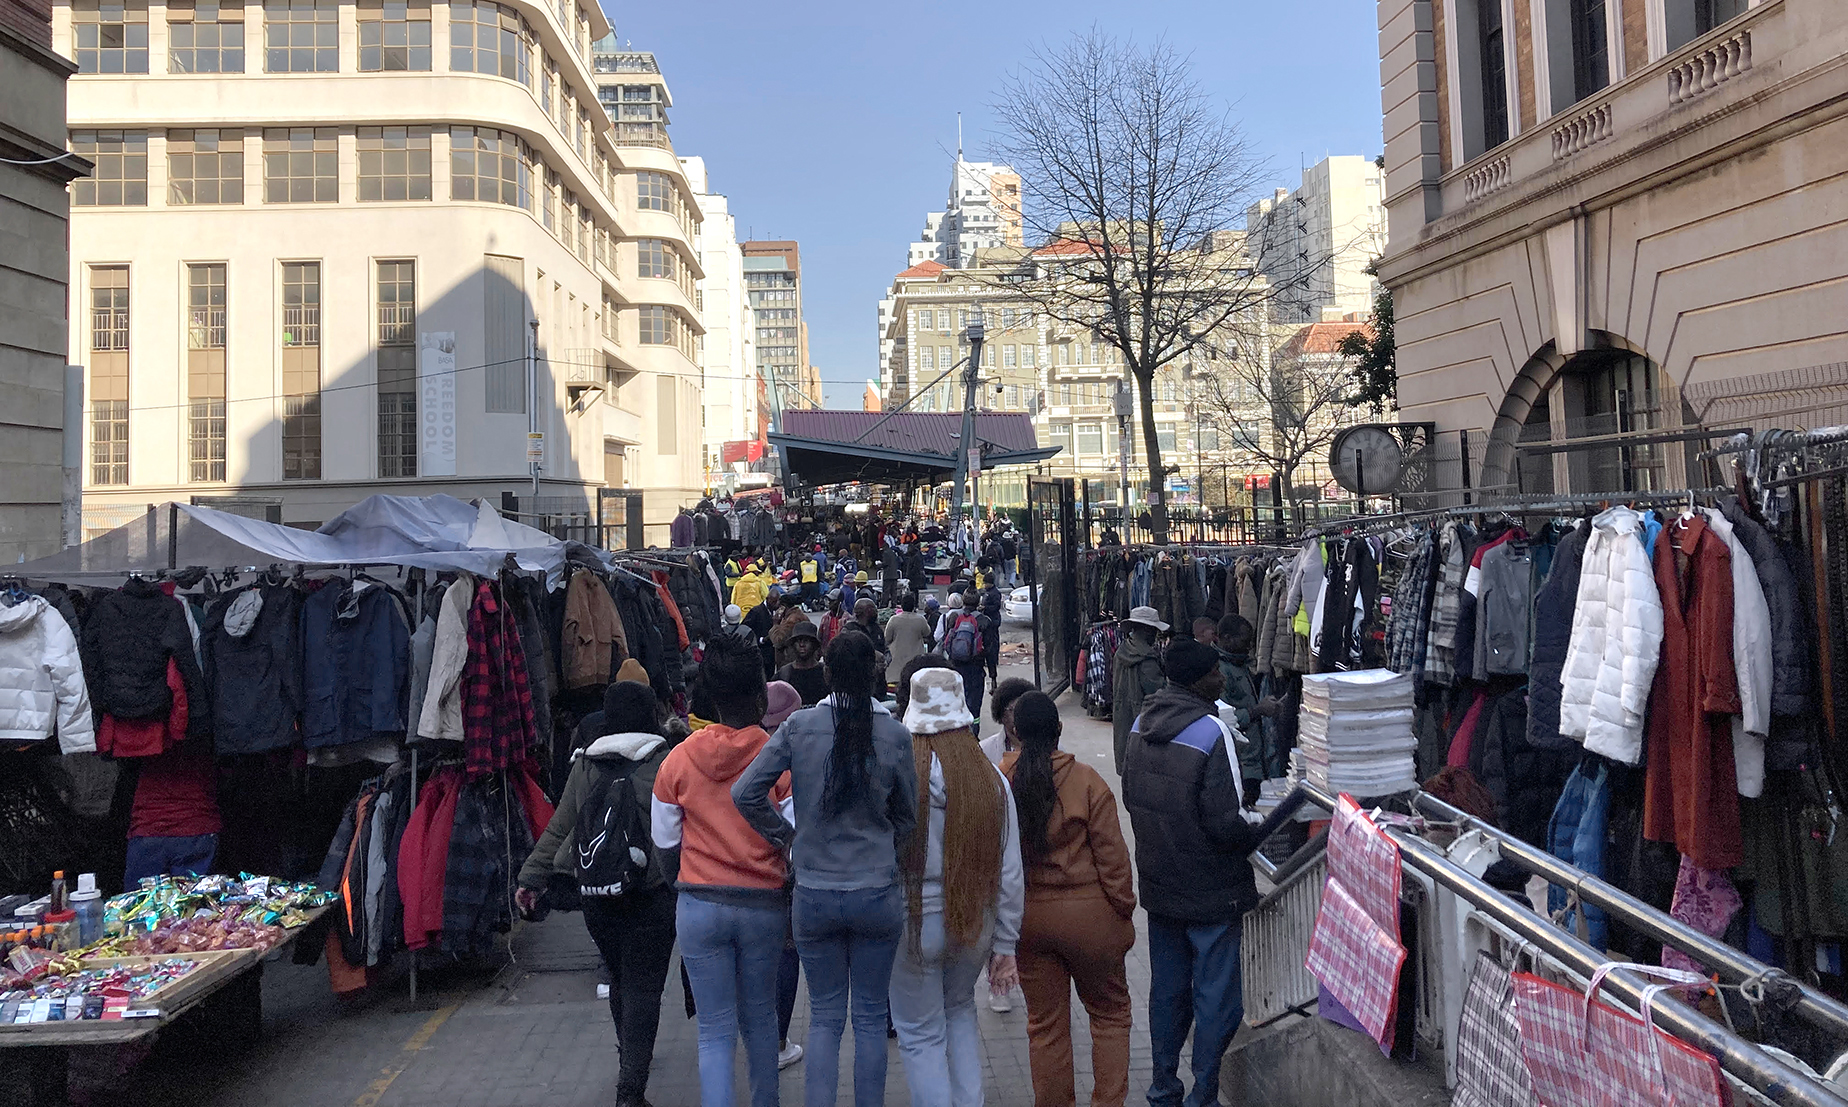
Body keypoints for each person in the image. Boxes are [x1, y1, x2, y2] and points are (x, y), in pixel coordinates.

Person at [733, 631, 919, 1107]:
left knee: (824, 1017)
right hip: (877, 890)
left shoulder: (797, 728)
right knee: (872, 1017)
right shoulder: (895, 734)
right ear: (876, 674)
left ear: (827, 672)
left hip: (814, 892)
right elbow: (908, 819)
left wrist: (787, 839)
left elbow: (745, 794)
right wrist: (887, 848)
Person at [518, 681, 679, 1107]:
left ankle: (630, 1058)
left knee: (620, 976)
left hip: (596, 893)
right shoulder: (666, 761)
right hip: (651, 892)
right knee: (645, 987)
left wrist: (530, 878)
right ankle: (630, 1089)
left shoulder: (585, 765)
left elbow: (559, 826)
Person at [1121, 638, 1263, 1107]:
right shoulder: (1209, 731)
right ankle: (1204, 1094)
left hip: (1161, 884)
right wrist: (1257, 826)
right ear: (1200, 680)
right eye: (1215, 672)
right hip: (1210, 890)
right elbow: (1226, 820)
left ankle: (1163, 1089)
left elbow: (1132, 796)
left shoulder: (1141, 724)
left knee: (1168, 993)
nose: (1222, 678)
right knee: (1216, 1001)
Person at [651, 639, 791, 1107]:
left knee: (713, 1032)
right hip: (763, 907)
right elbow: (794, 836)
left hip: (699, 907)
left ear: (709, 697)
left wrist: (686, 884)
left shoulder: (677, 760)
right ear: (760, 698)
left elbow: (665, 845)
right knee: (761, 1022)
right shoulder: (778, 759)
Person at [889, 668, 1024, 1107]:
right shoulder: (991, 780)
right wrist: (1006, 940)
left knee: (920, 1034)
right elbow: (1010, 871)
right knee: (961, 1012)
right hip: (975, 922)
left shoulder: (897, 777)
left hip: (910, 922)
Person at [1002, 691, 1137, 1107]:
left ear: (1014, 733)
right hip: (1090, 917)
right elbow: (1114, 862)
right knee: (1110, 1016)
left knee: (1045, 1026)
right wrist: (1123, 914)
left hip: (1029, 918)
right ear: (1059, 730)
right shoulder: (1088, 781)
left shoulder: (1001, 779)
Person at [1111, 607, 1167, 776]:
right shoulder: (1147, 660)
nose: (1156, 635)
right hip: (1143, 722)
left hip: (1123, 718)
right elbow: (1159, 693)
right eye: (1154, 631)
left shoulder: (1122, 652)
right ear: (1147, 630)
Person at [1214, 614, 1262, 806]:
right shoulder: (1220, 671)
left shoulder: (1239, 665)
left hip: (1253, 759)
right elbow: (1223, 717)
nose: (1249, 646)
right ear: (1226, 638)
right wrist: (1258, 710)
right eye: (1244, 641)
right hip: (1243, 761)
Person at [937, 593, 992, 720]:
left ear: (963, 602)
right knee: (973, 706)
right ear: (978, 603)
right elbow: (990, 650)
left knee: (954, 704)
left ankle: (958, 734)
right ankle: (973, 733)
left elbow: (946, 642)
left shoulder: (953, 617)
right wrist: (992, 676)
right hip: (975, 669)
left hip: (954, 667)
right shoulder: (983, 620)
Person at [978, 677, 1036, 767]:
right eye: (1014, 710)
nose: (1021, 715)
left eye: (1025, 709)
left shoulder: (1053, 748)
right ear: (1001, 714)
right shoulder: (985, 751)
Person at [777, 621, 830, 706]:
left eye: (806, 641)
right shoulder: (784, 675)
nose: (802, 644)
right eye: (798, 641)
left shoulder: (826, 674)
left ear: (814, 645)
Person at [884, 591, 933, 682]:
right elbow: (927, 633)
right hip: (915, 662)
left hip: (896, 663)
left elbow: (887, 638)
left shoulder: (894, 620)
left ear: (901, 606)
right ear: (914, 606)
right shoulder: (920, 619)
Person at [770, 596, 814, 670]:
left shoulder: (792, 620)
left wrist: (775, 624)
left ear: (783, 607)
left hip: (790, 661)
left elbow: (778, 641)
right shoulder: (797, 615)